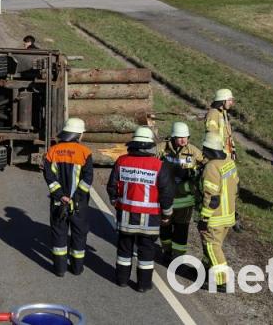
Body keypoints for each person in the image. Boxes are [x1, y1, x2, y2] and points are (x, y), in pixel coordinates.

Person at [107, 126, 174, 292]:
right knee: (147, 252)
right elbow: (166, 193)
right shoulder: (159, 165)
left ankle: (122, 280)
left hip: (126, 215)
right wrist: (167, 214)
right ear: (150, 146)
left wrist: (115, 201)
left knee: (124, 249)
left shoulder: (121, 161)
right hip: (150, 219)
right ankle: (143, 285)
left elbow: (112, 186)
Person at [42, 118, 93, 277]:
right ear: (79, 135)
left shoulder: (52, 151)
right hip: (79, 205)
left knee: (59, 235)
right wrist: (75, 198)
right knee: (79, 235)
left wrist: (60, 196)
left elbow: (49, 177)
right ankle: (77, 269)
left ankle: (60, 269)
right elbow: (87, 179)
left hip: (58, 203)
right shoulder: (85, 152)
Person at [158, 122, 204, 263]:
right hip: (166, 197)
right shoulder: (162, 148)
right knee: (165, 226)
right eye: (180, 137)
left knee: (181, 229)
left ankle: (177, 258)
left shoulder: (193, 151)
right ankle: (166, 251)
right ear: (173, 137)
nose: (184, 140)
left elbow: (206, 165)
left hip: (185, 200)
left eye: (186, 137)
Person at [199, 133, 239, 289]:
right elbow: (236, 187)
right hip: (228, 215)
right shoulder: (229, 162)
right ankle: (206, 273)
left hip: (215, 218)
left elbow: (212, 197)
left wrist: (204, 218)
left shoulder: (211, 167)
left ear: (208, 149)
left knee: (212, 246)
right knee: (213, 247)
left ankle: (222, 281)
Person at [205, 88, 236, 160]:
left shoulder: (223, 113)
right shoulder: (213, 114)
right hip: (218, 153)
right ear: (223, 101)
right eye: (229, 100)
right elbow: (211, 135)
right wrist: (219, 153)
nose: (231, 103)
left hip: (226, 152)